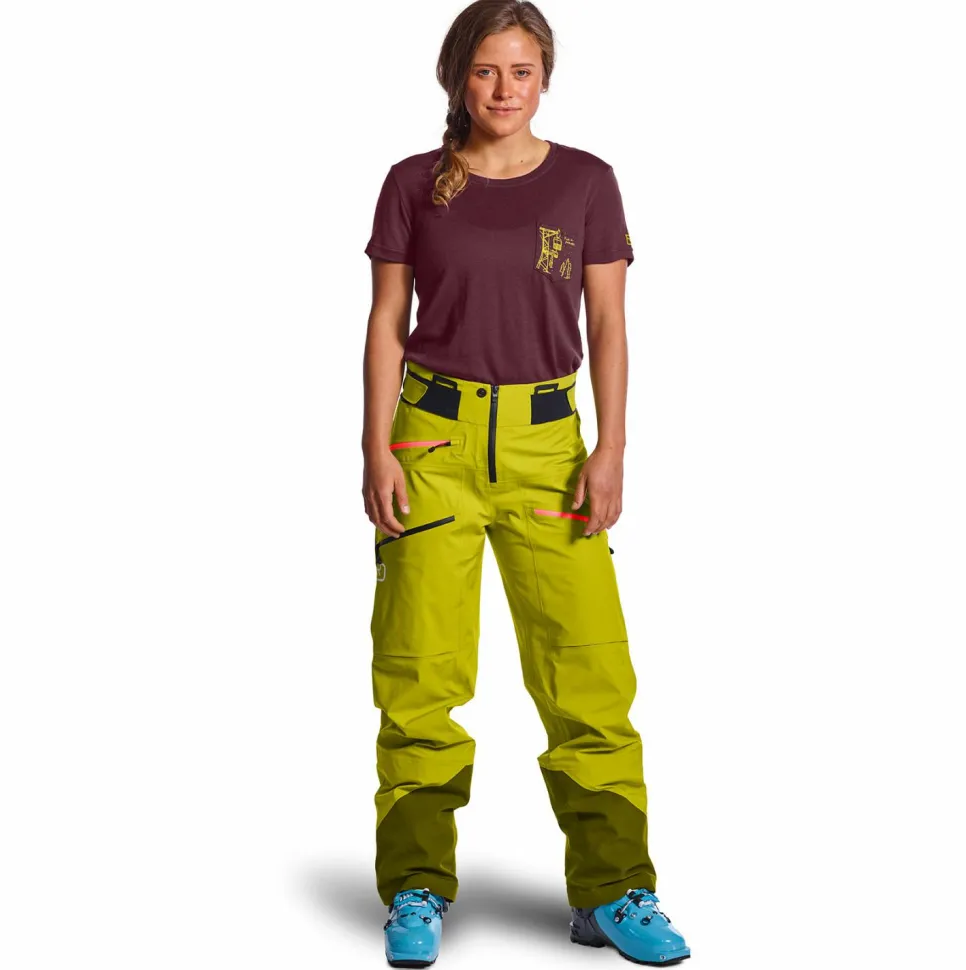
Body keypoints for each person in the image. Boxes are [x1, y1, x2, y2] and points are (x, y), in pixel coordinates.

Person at [361, 2, 690, 966]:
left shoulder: (587, 181)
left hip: (551, 449)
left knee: (587, 671)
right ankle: (417, 884)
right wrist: (376, 446)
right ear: (456, 77)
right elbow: (386, 322)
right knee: (419, 672)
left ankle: (614, 889)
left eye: (522, 71)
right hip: (433, 444)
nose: (504, 90)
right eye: (486, 71)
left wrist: (612, 447)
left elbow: (609, 323)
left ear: (545, 77)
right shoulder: (413, 183)